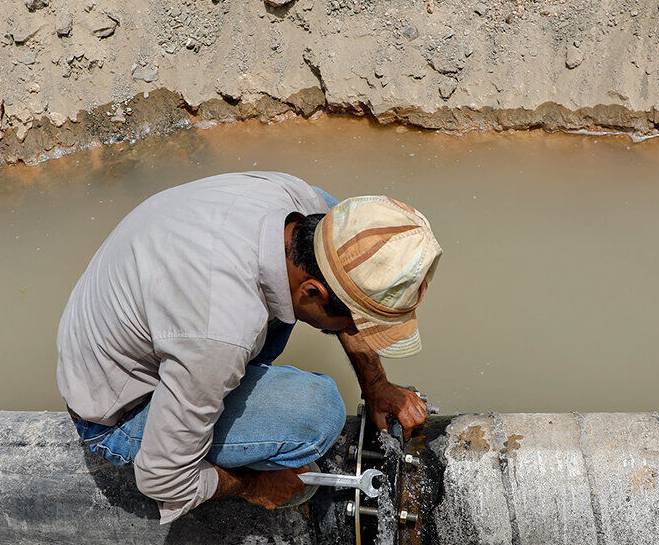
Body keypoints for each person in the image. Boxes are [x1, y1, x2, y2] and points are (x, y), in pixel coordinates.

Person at [56, 171, 442, 524]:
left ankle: (201, 394)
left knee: (247, 351)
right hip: (119, 409)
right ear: (313, 291)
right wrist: (255, 487)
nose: (362, 334)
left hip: (147, 320)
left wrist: (376, 386)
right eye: (359, 324)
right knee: (317, 414)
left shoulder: (308, 209)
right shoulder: (219, 329)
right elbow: (161, 479)